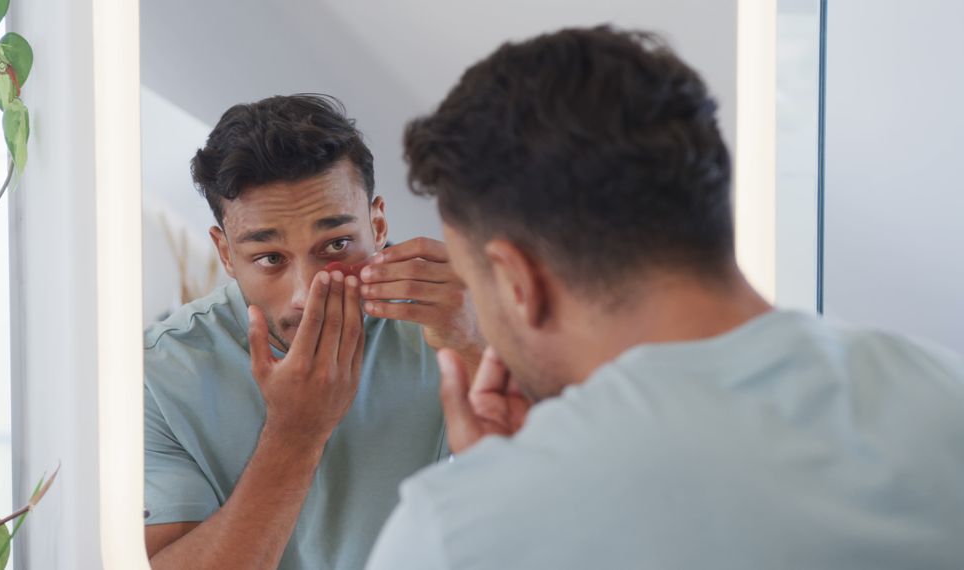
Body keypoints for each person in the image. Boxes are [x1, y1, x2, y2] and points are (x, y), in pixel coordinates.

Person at [366, 25, 964, 569]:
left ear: (517, 283)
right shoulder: (945, 395)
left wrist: (494, 495)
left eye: (475, 285)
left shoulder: (455, 531)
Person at [143, 94, 482, 569]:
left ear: (378, 224)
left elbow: (563, 508)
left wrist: (477, 346)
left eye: (336, 244)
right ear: (225, 254)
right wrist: (295, 434)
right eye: (269, 258)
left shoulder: (447, 322)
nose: (307, 292)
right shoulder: (159, 376)